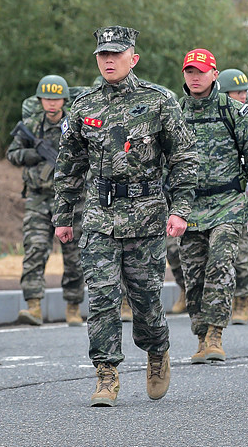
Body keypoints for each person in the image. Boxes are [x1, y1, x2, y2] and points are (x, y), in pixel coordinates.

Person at [53, 25, 197, 407]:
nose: (109, 61)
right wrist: (63, 215)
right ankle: (106, 374)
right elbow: (69, 165)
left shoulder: (159, 101)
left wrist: (181, 208)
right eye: (103, 55)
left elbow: (183, 157)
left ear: (133, 58)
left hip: (146, 215)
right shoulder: (83, 105)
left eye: (116, 54)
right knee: (101, 296)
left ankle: (156, 350)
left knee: (146, 298)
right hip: (99, 214)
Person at [178, 54, 248, 362]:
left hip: (228, 204)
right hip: (188, 206)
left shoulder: (235, 112)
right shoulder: (174, 113)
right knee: (194, 274)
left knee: (219, 266)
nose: (195, 77)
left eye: (201, 72)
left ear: (214, 74)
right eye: (190, 71)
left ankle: (215, 334)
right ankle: (200, 334)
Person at [7, 75, 85, 326]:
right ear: (40, 100)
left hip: (72, 200)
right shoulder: (31, 124)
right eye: (47, 99)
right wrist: (33, 154)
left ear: (65, 100)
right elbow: (12, 153)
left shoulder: (75, 124)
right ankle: (34, 306)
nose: (52, 104)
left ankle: (73, 306)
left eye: (56, 98)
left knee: (74, 256)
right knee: (35, 249)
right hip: (39, 199)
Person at [218, 67, 248, 325]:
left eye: (245, 91)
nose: (244, 96)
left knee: (245, 247)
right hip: (221, 192)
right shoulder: (219, 116)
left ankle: (247, 300)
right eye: (238, 92)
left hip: (245, 192)